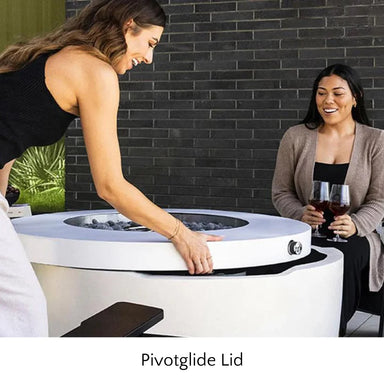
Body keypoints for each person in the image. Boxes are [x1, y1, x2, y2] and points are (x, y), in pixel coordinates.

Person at [0, 0, 222, 336]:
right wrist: (181, 234)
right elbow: (110, 186)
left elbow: (8, 140)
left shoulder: (60, 54)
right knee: (23, 312)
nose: (149, 58)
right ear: (128, 25)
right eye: (150, 43)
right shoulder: (95, 71)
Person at [272, 63, 384, 335]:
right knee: (271, 261)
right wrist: (300, 214)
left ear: (355, 97)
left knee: (340, 257)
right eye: (321, 93)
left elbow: (380, 199)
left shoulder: (376, 140)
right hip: (304, 231)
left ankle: (329, 333)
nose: (328, 100)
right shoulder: (296, 136)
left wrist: (355, 224)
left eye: (337, 93)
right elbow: (280, 192)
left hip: (356, 235)